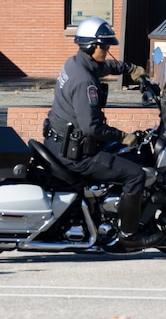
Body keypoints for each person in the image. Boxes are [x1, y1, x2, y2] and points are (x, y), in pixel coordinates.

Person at [45, 17, 150, 246]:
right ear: (90, 46)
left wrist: (130, 69)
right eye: (104, 46)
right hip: (76, 155)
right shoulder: (85, 83)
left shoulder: (74, 64)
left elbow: (102, 66)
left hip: (59, 143)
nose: (107, 49)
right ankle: (129, 235)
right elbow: (91, 128)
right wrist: (124, 137)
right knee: (135, 174)